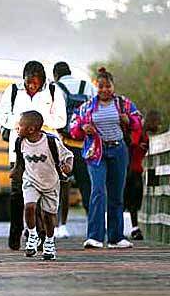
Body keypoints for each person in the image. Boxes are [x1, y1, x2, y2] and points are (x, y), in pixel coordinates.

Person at [0, 61, 67, 250]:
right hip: (19, 150)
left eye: (35, 83)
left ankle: (40, 233)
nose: (32, 86)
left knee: (42, 194)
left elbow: (61, 119)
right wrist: (22, 124)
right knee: (17, 193)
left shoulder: (52, 91)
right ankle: (16, 231)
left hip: (44, 151)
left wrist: (38, 123)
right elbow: (2, 116)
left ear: (43, 80)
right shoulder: (13, 91)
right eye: (29, 83)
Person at [70, 67, 142, 249]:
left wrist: (129, 121)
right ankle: (94, 236)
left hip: (118, 150)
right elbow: (73, 125)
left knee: (117, 194)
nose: (104, 90)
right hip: (96, 151)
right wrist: (82, 129)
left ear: (113, 86)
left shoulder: (123, 104)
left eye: (108, 86)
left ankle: (116, 237)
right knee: (98, 191)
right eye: (101, 87)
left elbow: (138, 120)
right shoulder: (87, 106)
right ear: (96, 88)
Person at [11, 111, 73, 260]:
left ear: (31, 129)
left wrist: (68, 167)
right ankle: (32, 236)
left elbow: (68, 155)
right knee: (29, 207)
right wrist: (14, 172)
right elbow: (20, 162)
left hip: (50, 182)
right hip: (31, 180)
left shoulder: (51, 141)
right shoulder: (20, 142)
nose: (17, 129)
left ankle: (49, 242)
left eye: (20, 127)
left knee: (48, 216)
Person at [52, 61, 96, 239]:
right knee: (88, 186)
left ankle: (61, 226)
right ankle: (93, 228)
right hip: (86, 145)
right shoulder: (88, 87)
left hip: (64, 144)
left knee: (62, 186)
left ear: (56, 75)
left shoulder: (56, 88)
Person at [124, 109, 161, 240]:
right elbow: (131, 145)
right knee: (131, 200)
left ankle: (133, 228)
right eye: (157, 123)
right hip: (130, 170)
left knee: (135, 201)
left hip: (136, 169)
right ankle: (130, 228)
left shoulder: (145, 134)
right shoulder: (138, 130)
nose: (158, 126)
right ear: (151, 121)